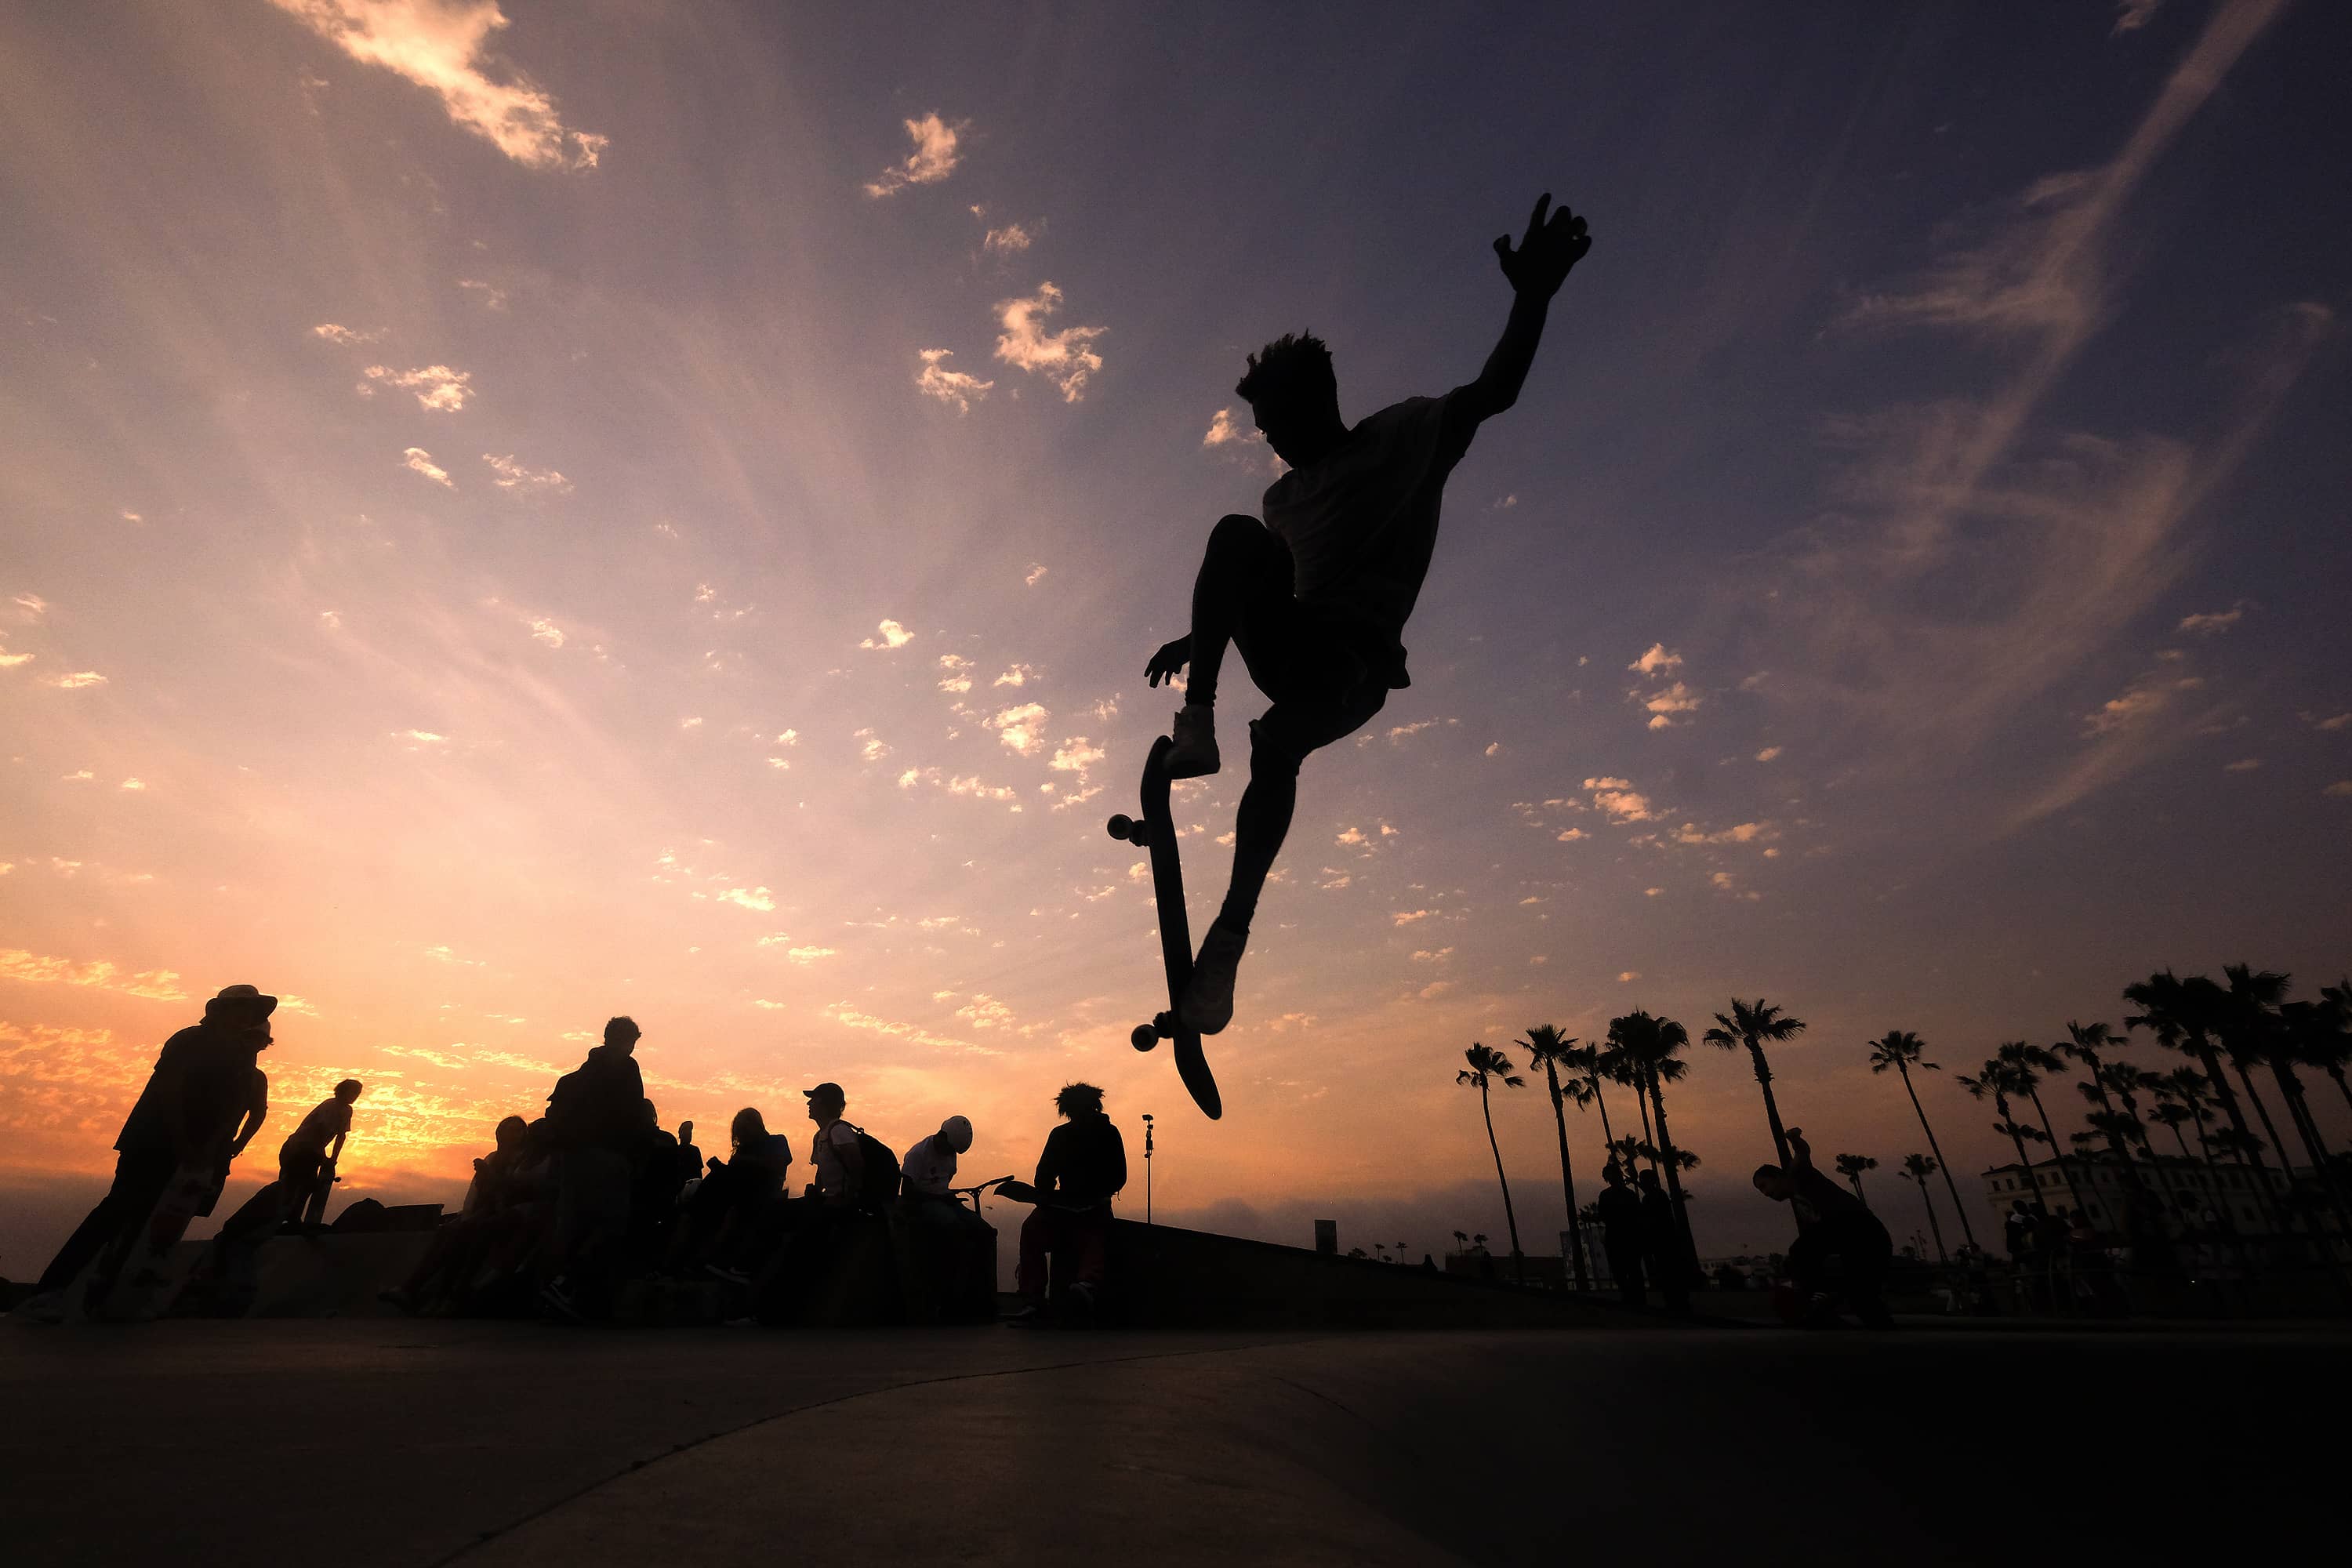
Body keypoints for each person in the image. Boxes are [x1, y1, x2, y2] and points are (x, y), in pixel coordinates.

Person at [1142, 193, 1594, 1035]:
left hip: (1353, 665)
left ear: (1319, 403)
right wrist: (1198, 633)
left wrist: (1532, 296)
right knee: (1241, 559)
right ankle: (1200, 745)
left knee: (1278, 739)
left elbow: (1494, 392)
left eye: (1277, 422)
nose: (1271, 441)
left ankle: (1229, 940)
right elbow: (1251, 577)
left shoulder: (1404, 437)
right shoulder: (1283, 497)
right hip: (1297, 648)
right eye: (1263, 428)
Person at [18, 984, 278, 1319]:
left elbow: (234, 1110)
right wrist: (184, 1142)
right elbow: (169, 1090)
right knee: (116, 1211)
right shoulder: (189, 1040)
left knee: (150, 1224)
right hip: (152, 1140)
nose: (247, 1017)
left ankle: (107, 1298)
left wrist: (214, 1152)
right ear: (220, 1010)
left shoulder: (242, 1060)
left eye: (252, 1011)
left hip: (197, 1153)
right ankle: (49, 1292)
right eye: (242, 1008)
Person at [539, 1017, 648, 1320]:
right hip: (608, 1156)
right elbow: (633, 1115)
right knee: (610, 1226)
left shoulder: (576, 1077)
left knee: (572, 1225)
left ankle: (557, 1289)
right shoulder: (627, 1069)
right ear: (628, 1041)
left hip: (575, 1158)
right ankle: (569, 1287)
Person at [1753, 1126, 1895, 1329]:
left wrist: (1795, 1139)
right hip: (1867, 1243)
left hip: (1858, 1226)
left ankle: (1819, 1296)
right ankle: (1883, 1330)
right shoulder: (1803, 1207)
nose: (1766, 1194)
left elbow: (1802, 1153)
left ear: (1778, 1176)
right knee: (1862, 1300)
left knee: (1799, 1251)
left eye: (1764, 1186)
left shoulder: (1797, 1174)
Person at [1010, 1083, 1128, 1326]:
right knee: (1033, 1228)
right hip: (1068, 1208)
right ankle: (1036, 1297)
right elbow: (1119, 1176)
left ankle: (1082, 1287)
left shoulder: (1091, 1134)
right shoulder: (1069, 1135)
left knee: (1094, 1231)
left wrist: (1051, 1196)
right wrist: (1050, 1199)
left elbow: (1043, 1178)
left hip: (1091, 1208)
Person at [278, 1079, 361, 1225]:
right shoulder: (330, 1106)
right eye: (353, 1092)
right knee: (295, 1186)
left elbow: (341, 1135)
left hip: (311, 1153)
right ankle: (284, 1219)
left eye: (358, 1093)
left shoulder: (347, 1110)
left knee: (307, 1186)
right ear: (343, 1090)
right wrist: (324, 1158)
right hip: (296, 1149)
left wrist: (333, 1159)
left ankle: (292, 1219)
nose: (355, 1096)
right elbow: (319, 1132)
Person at [1635, 1169, 1689, 1315]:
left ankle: (1676, 1302)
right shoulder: (1656, 1195)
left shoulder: (1656, 1196)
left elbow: (1653, 1217)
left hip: (1663, 1240)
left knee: (1669, 1272)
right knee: (1667, 1272)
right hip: (1661, 1240)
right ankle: (1675, 1302)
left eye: (1643, 1179)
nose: (1642, 1183)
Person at [1594, 1163, 1644, 1308]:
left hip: (1627, 1236)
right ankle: (1631, 1297)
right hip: (1618, 1236)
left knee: (1631, 1269)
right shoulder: (1613, 1195)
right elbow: (1602, 1214)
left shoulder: (1625, 1195)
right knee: (1621, 1270)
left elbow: (1637, 1215)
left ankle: (1636, 1299)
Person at [900, 1115, 974, 1203]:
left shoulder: (951, 1151)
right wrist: (940, 1198)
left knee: (971, 1217)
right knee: (948, 1217)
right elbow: (906, 1192)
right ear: (943, 1137)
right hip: (923, 1206)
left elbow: (945, 1180)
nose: (951, 1154)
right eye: (950, 1149)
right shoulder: (918, 1154)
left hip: (943, 1203)